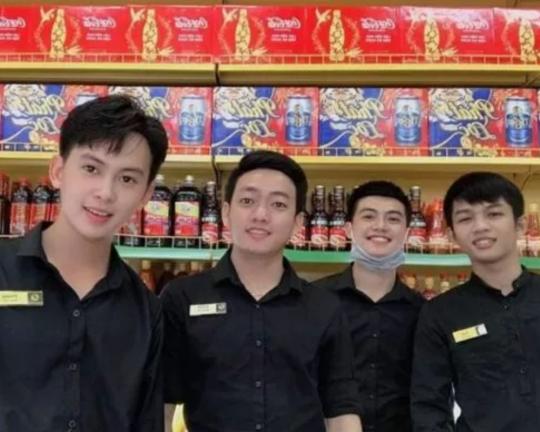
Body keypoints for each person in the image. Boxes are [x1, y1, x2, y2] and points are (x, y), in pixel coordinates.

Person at [161, 150, 362, 432]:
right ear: (226, 212)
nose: (260, 215)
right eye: (248, 201)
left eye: (278, 204)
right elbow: (163, 405)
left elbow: (341, 410)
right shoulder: (182, 298)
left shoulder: (324, 307)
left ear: (297, 223)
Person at [0, 95, 168, 431]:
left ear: (146, 194)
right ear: (58, 170)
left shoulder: (146, 311)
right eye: (91, 169)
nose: (105, 192)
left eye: (127, 179)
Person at [411, 171, 540, 432]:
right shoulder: (440, 313)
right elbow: (429, 406)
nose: (480, 226)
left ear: (520, 225)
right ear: (451, 235)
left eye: (494, 214)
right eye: (465, 218)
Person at [315, 181, 424, 432]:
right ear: (348, 229)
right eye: (368, 216)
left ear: (407, 233)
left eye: (393, 219)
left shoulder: (422, 312)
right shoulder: (315, 301)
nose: (380, 226)